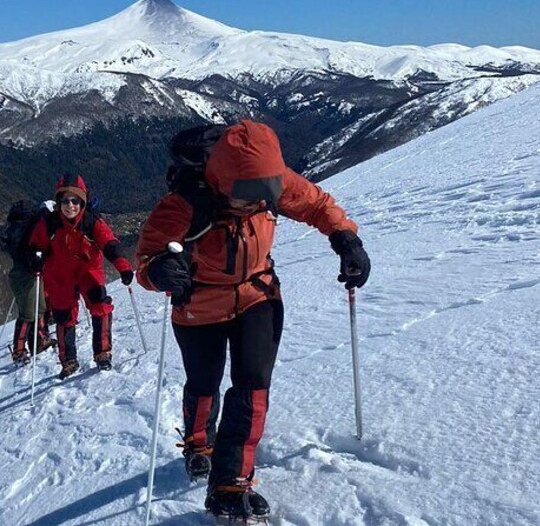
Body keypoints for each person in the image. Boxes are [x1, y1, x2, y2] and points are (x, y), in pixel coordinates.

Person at [135, 120, 371, 520]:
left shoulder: (268, 182)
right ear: (224, 180)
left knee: (252, 387)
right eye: (247, 195)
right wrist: (159, 271)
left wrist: (346, 239)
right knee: (204, 383)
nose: (257, 203)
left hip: (257, 295)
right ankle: (197, 442)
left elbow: (315, 203)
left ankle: (231, 482)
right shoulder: (185, 204)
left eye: (265, 194)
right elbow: (147, 258)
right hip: (199, 305)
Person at [29, 173, 134, 379]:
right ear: (59, 202)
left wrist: (124, 267)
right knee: (64, 316)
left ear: (82, 201)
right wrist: (36, 258)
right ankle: (68, 360)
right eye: (65, 200)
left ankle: (102, 352)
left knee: (101, 306)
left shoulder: (91, 222)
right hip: (60, 275)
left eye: (75, 200)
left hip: (88, 272)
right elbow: (36, 245)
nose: (70, 206)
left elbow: (110, 244)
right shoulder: (49, 223)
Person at [0, 199, 57, 365]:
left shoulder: (20, 229)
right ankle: (20, 350)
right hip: (27, 274)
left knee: (40, 308)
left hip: (24, 273)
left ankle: (38, 341)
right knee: (29, 314)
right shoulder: (33, 225)